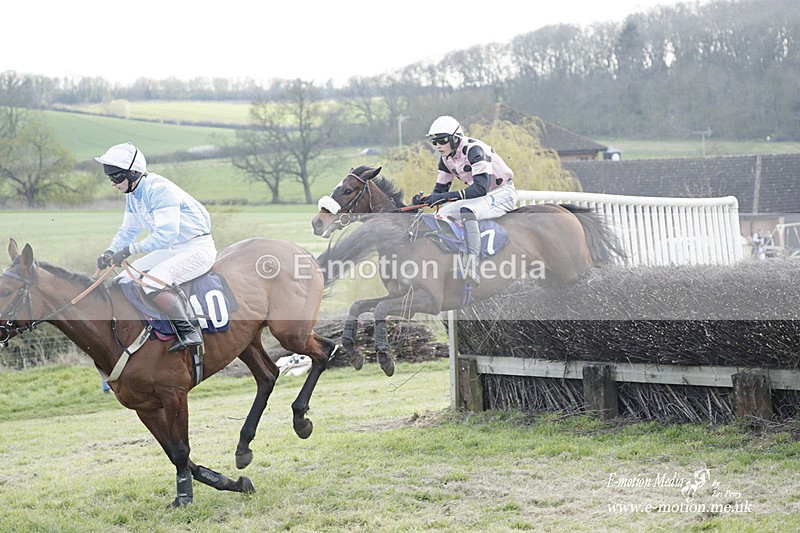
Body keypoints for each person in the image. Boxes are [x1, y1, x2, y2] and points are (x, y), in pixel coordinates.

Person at [95, 142, 216, 352]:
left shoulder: (159, 190)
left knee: (152, 283)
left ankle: (188, 331)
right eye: (110, 178)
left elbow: (166, 236)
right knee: (121, 279)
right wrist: (111, 251)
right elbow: (128, 232)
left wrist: (129, 250)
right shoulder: (133, 195)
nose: (113, 183)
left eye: (116, 177)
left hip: (197, 248)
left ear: (132, 173)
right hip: (174, 248)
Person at [411, 116, 517, 285]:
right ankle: (453, 257)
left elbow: (480, 188)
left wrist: (440, 197)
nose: (438, 146)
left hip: (502, 192)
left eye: (442, 140)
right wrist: (420, 202)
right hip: (484, 196)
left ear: (455, 138)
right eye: (434, 141)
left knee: (468, 211)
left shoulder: (475, 150)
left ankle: (472, 263)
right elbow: (440, 191)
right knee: (442, 214)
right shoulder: (446, 158)